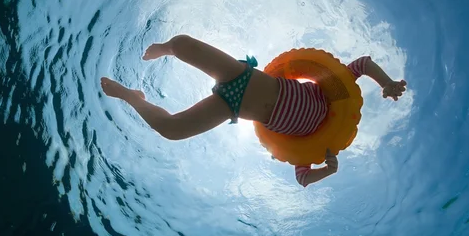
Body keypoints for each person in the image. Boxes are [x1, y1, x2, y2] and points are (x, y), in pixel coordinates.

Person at [101, 35, 407, 187]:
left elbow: (302, 178)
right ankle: (166, 48)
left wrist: (327, 170)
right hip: (242, 76)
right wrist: (388, 83)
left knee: (171, 130)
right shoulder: (330, 92)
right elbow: (362, 64)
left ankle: (133, 98)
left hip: (230, 107)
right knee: (183, 44)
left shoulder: (324, 146)